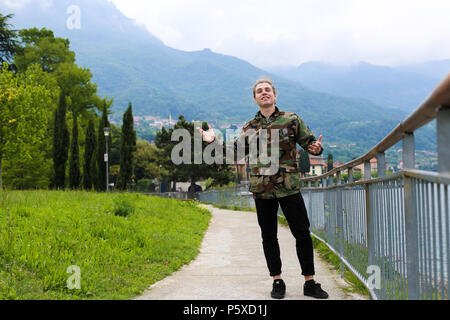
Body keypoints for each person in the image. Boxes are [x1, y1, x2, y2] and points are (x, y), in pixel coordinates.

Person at [197, 77, 329, 299]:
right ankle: (277, 281)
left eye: (268, 90)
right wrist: (212, 142)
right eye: (260, 91)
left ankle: (310, 282)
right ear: (255, 98)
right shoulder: (250, 127)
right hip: (262, 188)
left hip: (289, 186)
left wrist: (316, 148)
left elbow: (311, 145)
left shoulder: (292, 119)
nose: (264, 93)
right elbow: (234, 153)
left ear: (275, 95)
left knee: (302, 233)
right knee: (269, 235)